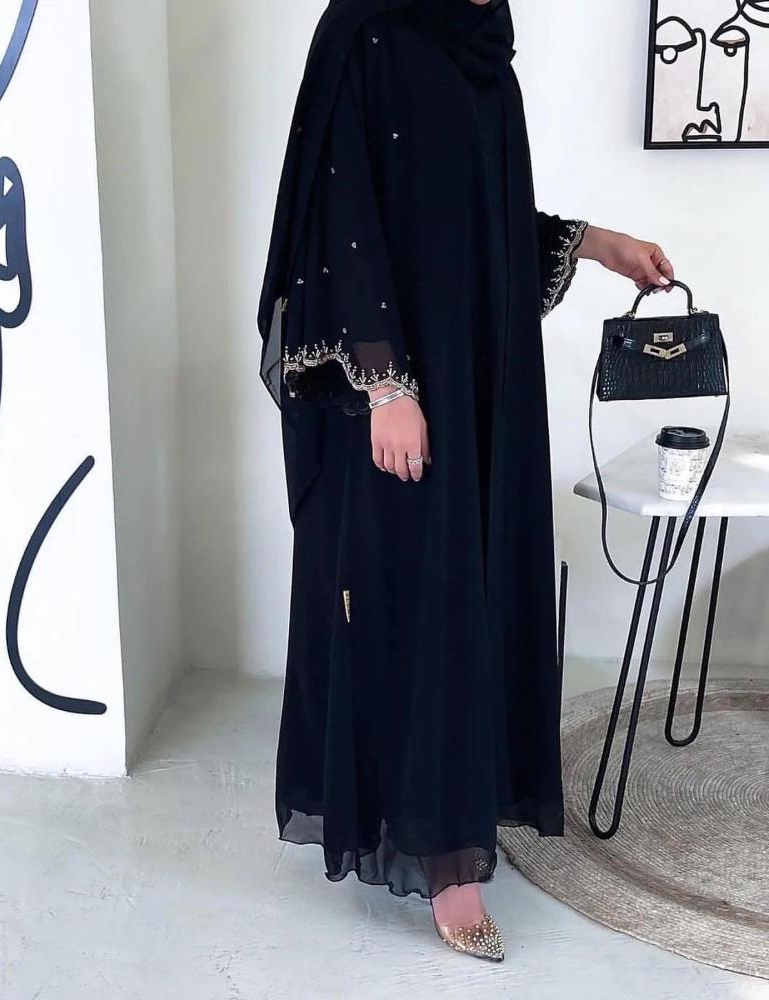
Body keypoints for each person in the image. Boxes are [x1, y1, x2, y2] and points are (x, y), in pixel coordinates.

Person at [258, 0, 674, 962]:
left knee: (470, 587)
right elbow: (340, 216)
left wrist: (599, 243)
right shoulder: (366, 30)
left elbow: (469, 216)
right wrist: (386, 385)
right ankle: (446, 863)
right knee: (416, 595)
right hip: (397, 381)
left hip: (480, 375)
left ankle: (453, 809)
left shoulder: (487, 57)